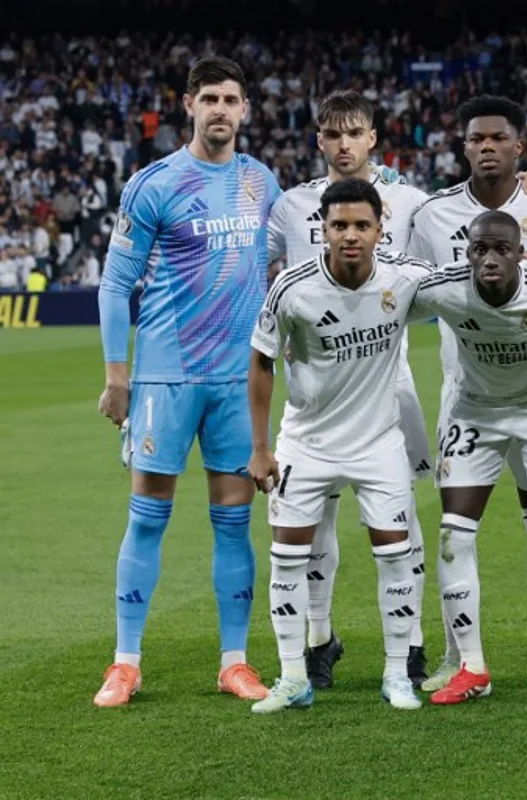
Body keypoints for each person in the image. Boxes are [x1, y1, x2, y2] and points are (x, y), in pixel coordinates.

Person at [94, 56, 280, 708]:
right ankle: (125, 662)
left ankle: (234, 661)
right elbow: (116, 283)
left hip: (238, 379)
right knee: (147, 518)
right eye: (210, 98)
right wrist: (117, 376)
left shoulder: (262, 183)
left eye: (232, 98)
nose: (221, 109)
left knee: (233, 524)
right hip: (166, 377)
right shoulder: (155, 183)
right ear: (189, 105)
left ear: (246, 109)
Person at [408, 94, 527, 692]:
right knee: (454, 533)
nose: (486, 147)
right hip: (470, 403)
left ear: (520, 145)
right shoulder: (434, 215)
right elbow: (401, 289)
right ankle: (469, 664)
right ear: (463, 147)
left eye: (498, 138)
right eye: (475, 139)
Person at [265, 89, 433, 688]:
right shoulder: (290, 206)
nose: (342, 145)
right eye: (331, 135)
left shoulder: (411, 200)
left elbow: (473, 226)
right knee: (315, 520)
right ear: (318, 141)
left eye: (353, 133)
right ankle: (317, 638)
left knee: (401, 516)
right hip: (314, 387)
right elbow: (260, 275)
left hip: (391, 381)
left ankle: (410, 642)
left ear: (372, 139)